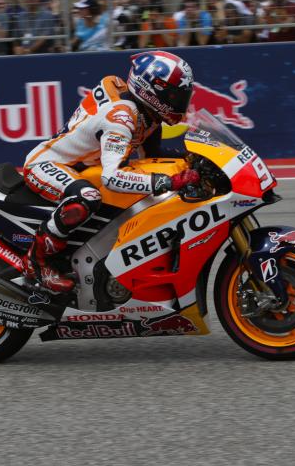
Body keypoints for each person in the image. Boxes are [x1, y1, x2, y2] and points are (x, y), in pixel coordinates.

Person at [20, 50, 200, 293]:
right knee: (88, 197)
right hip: (48, 164)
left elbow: (153, 154)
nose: (179, 102)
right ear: (152, 91)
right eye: (173, 95)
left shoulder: (147, 113)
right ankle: (36, 263)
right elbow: (112, 177)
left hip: (82, 167)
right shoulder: (122, 118)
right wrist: (167, 182)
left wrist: (195, 159)